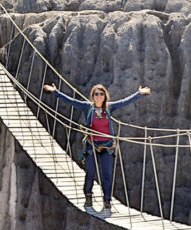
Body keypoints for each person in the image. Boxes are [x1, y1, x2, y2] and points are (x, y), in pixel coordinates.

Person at [43, 82, 151, 217]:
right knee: (90, 173)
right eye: (96, 94)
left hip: (108, 146)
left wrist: (138, 94)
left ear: (105, 96)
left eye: (101, 94)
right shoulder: (87, 107)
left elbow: (124, 102)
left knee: (107, 174)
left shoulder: (109, 108)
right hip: (92, 145)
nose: (99, 96)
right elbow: (71, 101)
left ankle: (107, 200)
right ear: (93, 96)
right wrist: (55, 92)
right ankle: (88, 195)